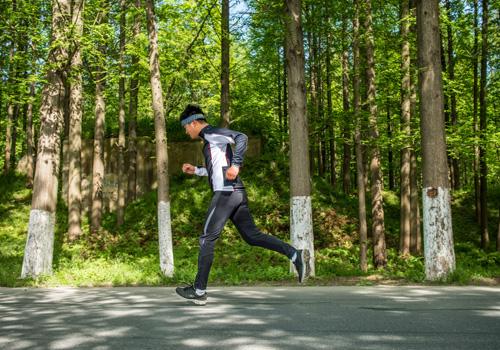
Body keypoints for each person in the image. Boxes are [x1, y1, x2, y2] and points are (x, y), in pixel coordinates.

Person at [175, 104, 310, 305]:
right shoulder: (209, 142)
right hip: (237, 193)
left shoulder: (211, 133)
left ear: (193, 123)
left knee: (206, 239)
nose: (186, 131)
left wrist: (236, 164)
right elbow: (218, 168)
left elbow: (241, 137)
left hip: (226, 194)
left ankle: (199, 290)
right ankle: (294, 254)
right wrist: (196, 170)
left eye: (186, 127)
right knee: (252, 236)